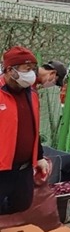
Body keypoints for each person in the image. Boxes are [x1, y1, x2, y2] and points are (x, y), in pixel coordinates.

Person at [0, 46, 49, 215]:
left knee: (22, 204)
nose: (31, 73)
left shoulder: (32, 94)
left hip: (24, 167)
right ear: (10, 70)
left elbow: (33, 126)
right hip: (2, 166)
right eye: (26, 69)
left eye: (32, 69)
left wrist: (39, 157)